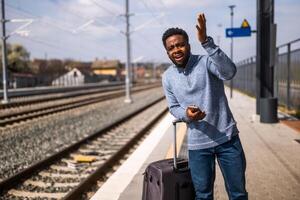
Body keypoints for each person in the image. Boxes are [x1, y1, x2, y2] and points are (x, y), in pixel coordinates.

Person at [161, 13, 248, 200]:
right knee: (202, 196)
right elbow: (173, 107)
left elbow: (229, 72)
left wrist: (207, 42)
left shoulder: (205, 61)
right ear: (167, 52)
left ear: (189, 45)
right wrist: (187, 114)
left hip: (227, 139)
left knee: (238, 194)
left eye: (180, 44)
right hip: (198, 145)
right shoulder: (167, 77)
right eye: (171, 47)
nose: (176, 50)